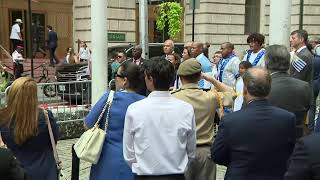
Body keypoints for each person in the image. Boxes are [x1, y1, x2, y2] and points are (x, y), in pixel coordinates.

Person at [211, 68, 296, 180]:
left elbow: (217, 156)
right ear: (269, 89)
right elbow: (290, 153)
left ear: (245, 90)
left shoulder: (230, 120)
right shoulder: (288, 118)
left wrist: (238, 162)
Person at [123, 57, 196, 180]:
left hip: (145, 175)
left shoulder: (134, 109)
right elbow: (191, 150)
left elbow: (129, 153)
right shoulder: (186, 109)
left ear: (150, 78)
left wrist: (140, 166)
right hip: (175, 175)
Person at [171, 59, 235, 180]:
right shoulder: (210, 97)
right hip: (205, 152)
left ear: (180, 77)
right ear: (199, 77)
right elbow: (231, 93)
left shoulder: (173, 97)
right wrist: (210, 79)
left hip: (180, 151)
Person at [85, 61, 145, 180]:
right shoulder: (145, 101)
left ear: (125, 81)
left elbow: (88, 124)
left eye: (116, 75)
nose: (115, 78)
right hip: (137, 161)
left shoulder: (109, 98)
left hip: (108, 159)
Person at [0, 77, 59, 180]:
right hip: (44, 171)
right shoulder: (46, 116)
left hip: (15, 172)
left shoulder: (3, 118)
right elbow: (54, 140)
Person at [266, 45, 311, 138]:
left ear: (266, 64)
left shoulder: (263, 87)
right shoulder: (305, 86)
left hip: (271, 137)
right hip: (297, 139)